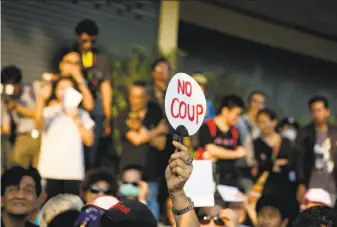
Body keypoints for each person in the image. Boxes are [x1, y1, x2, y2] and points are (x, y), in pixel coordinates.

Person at [35, 77, 94, 199]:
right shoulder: (48, 111)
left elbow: (89, 141)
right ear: (55, 91)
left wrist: (76, 118)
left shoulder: (82, 114)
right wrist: (41, 99)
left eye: (69, 88)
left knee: (72, 209)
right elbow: (38, 124)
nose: (65, 92)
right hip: (50, 171)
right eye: (61, 88)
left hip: (73, 172)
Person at [117, 80, 167, 219]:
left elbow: (161, 144)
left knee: (150, 207)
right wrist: (157, 130)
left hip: (150, 171)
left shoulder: (154, 114)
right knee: (127, 207)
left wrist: (144, 134)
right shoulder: (124, 115)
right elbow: (136, 139)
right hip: (129, 172)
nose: (135, 100)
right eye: (133, 96)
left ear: (146, 97)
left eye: (139, 96)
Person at [74, 19, 113, 169]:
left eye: (92, 41)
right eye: (84, 41)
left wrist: (107, 118)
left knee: (92, 152)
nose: (88, 45)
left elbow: (106, 88)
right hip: (76, 108)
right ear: (78, 38)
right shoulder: (71, 55)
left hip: (95, 111)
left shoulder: (101, 58)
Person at [253, 108, 298, 220]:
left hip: (285, 186)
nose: (261, 125)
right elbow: (258, 164)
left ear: (274, 122)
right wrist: (274, 164)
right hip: (265, 186)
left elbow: (293, 161)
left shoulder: (286, 142)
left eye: (264, 121)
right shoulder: (257, 143)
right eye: (259, 122)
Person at [295, 95, 337, 206]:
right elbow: (299, 160)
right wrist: (301, 183)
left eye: (319, 110)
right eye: (313, 111)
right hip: (311, 186)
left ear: (327, 111)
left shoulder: (334, 133)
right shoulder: (304, 133)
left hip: (331, 186)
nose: (316, 114)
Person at [197, 94, 246, 187]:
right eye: (236, 114)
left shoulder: (235, 131)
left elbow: (242, 151)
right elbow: (211, 149)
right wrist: (235, 154)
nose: (237, 118)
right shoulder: (207, 127)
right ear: (225, 111)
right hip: (209, 178)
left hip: (230, 180)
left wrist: (220, 154)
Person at [1, 66, 41, 169]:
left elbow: (39, 114)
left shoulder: (34, 88)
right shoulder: (6, 98)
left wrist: (17, 107)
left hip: (41, 135)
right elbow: (6, 128)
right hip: (22, 137)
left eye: (13, 86)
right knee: (17, 171)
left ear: (20, 83)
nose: (11, 91)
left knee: (39, 174)